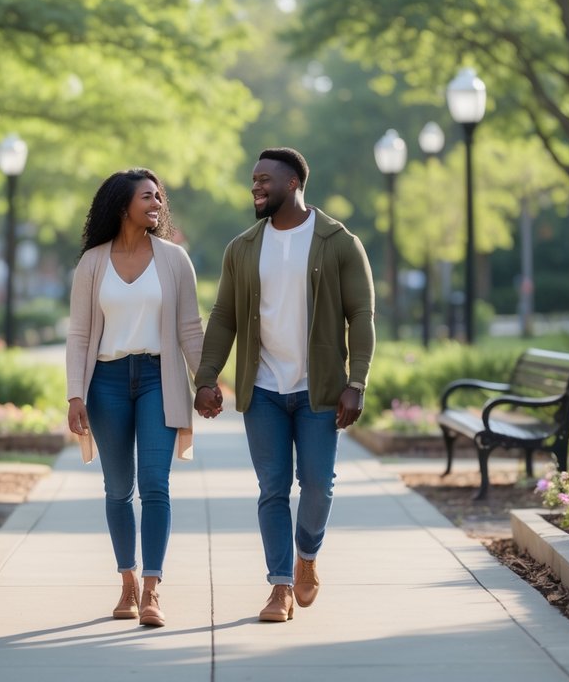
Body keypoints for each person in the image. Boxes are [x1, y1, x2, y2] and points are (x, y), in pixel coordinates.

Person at [193, 147, 375, 623]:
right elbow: (224, 316)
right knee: (272, 488)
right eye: (253, 180)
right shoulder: (243, 247)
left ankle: (307, 556)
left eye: (264, 179)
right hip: (265, 390)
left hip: (320, 388)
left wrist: (357, 381)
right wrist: (207, 377)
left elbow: (361, 314)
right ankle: (280, 587)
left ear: (293, 183)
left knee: (318, 484)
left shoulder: (337, 241)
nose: (256, 187)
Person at [65, 168, 205, 628]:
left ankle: (152, 588)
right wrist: (74, 395)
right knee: (118, 489)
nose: (156, 204)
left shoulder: (174, 259)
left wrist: (206, 380)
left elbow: (189, 326)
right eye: (147, 197)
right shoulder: (92, 263)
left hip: (156, 378)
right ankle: (126, 580)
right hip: (104, 383)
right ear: (122, 204)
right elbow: (80, 335)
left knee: (155, 484)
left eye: (159, 197)